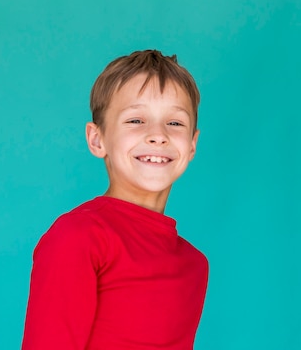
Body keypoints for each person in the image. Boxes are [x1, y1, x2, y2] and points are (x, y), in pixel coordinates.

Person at [21, 50, 209, 350]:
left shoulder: (194, 265)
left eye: (175, 123)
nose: (158, 135)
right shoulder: (79, 237)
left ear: (192, 146)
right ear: (98, 140)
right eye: (136, 120)